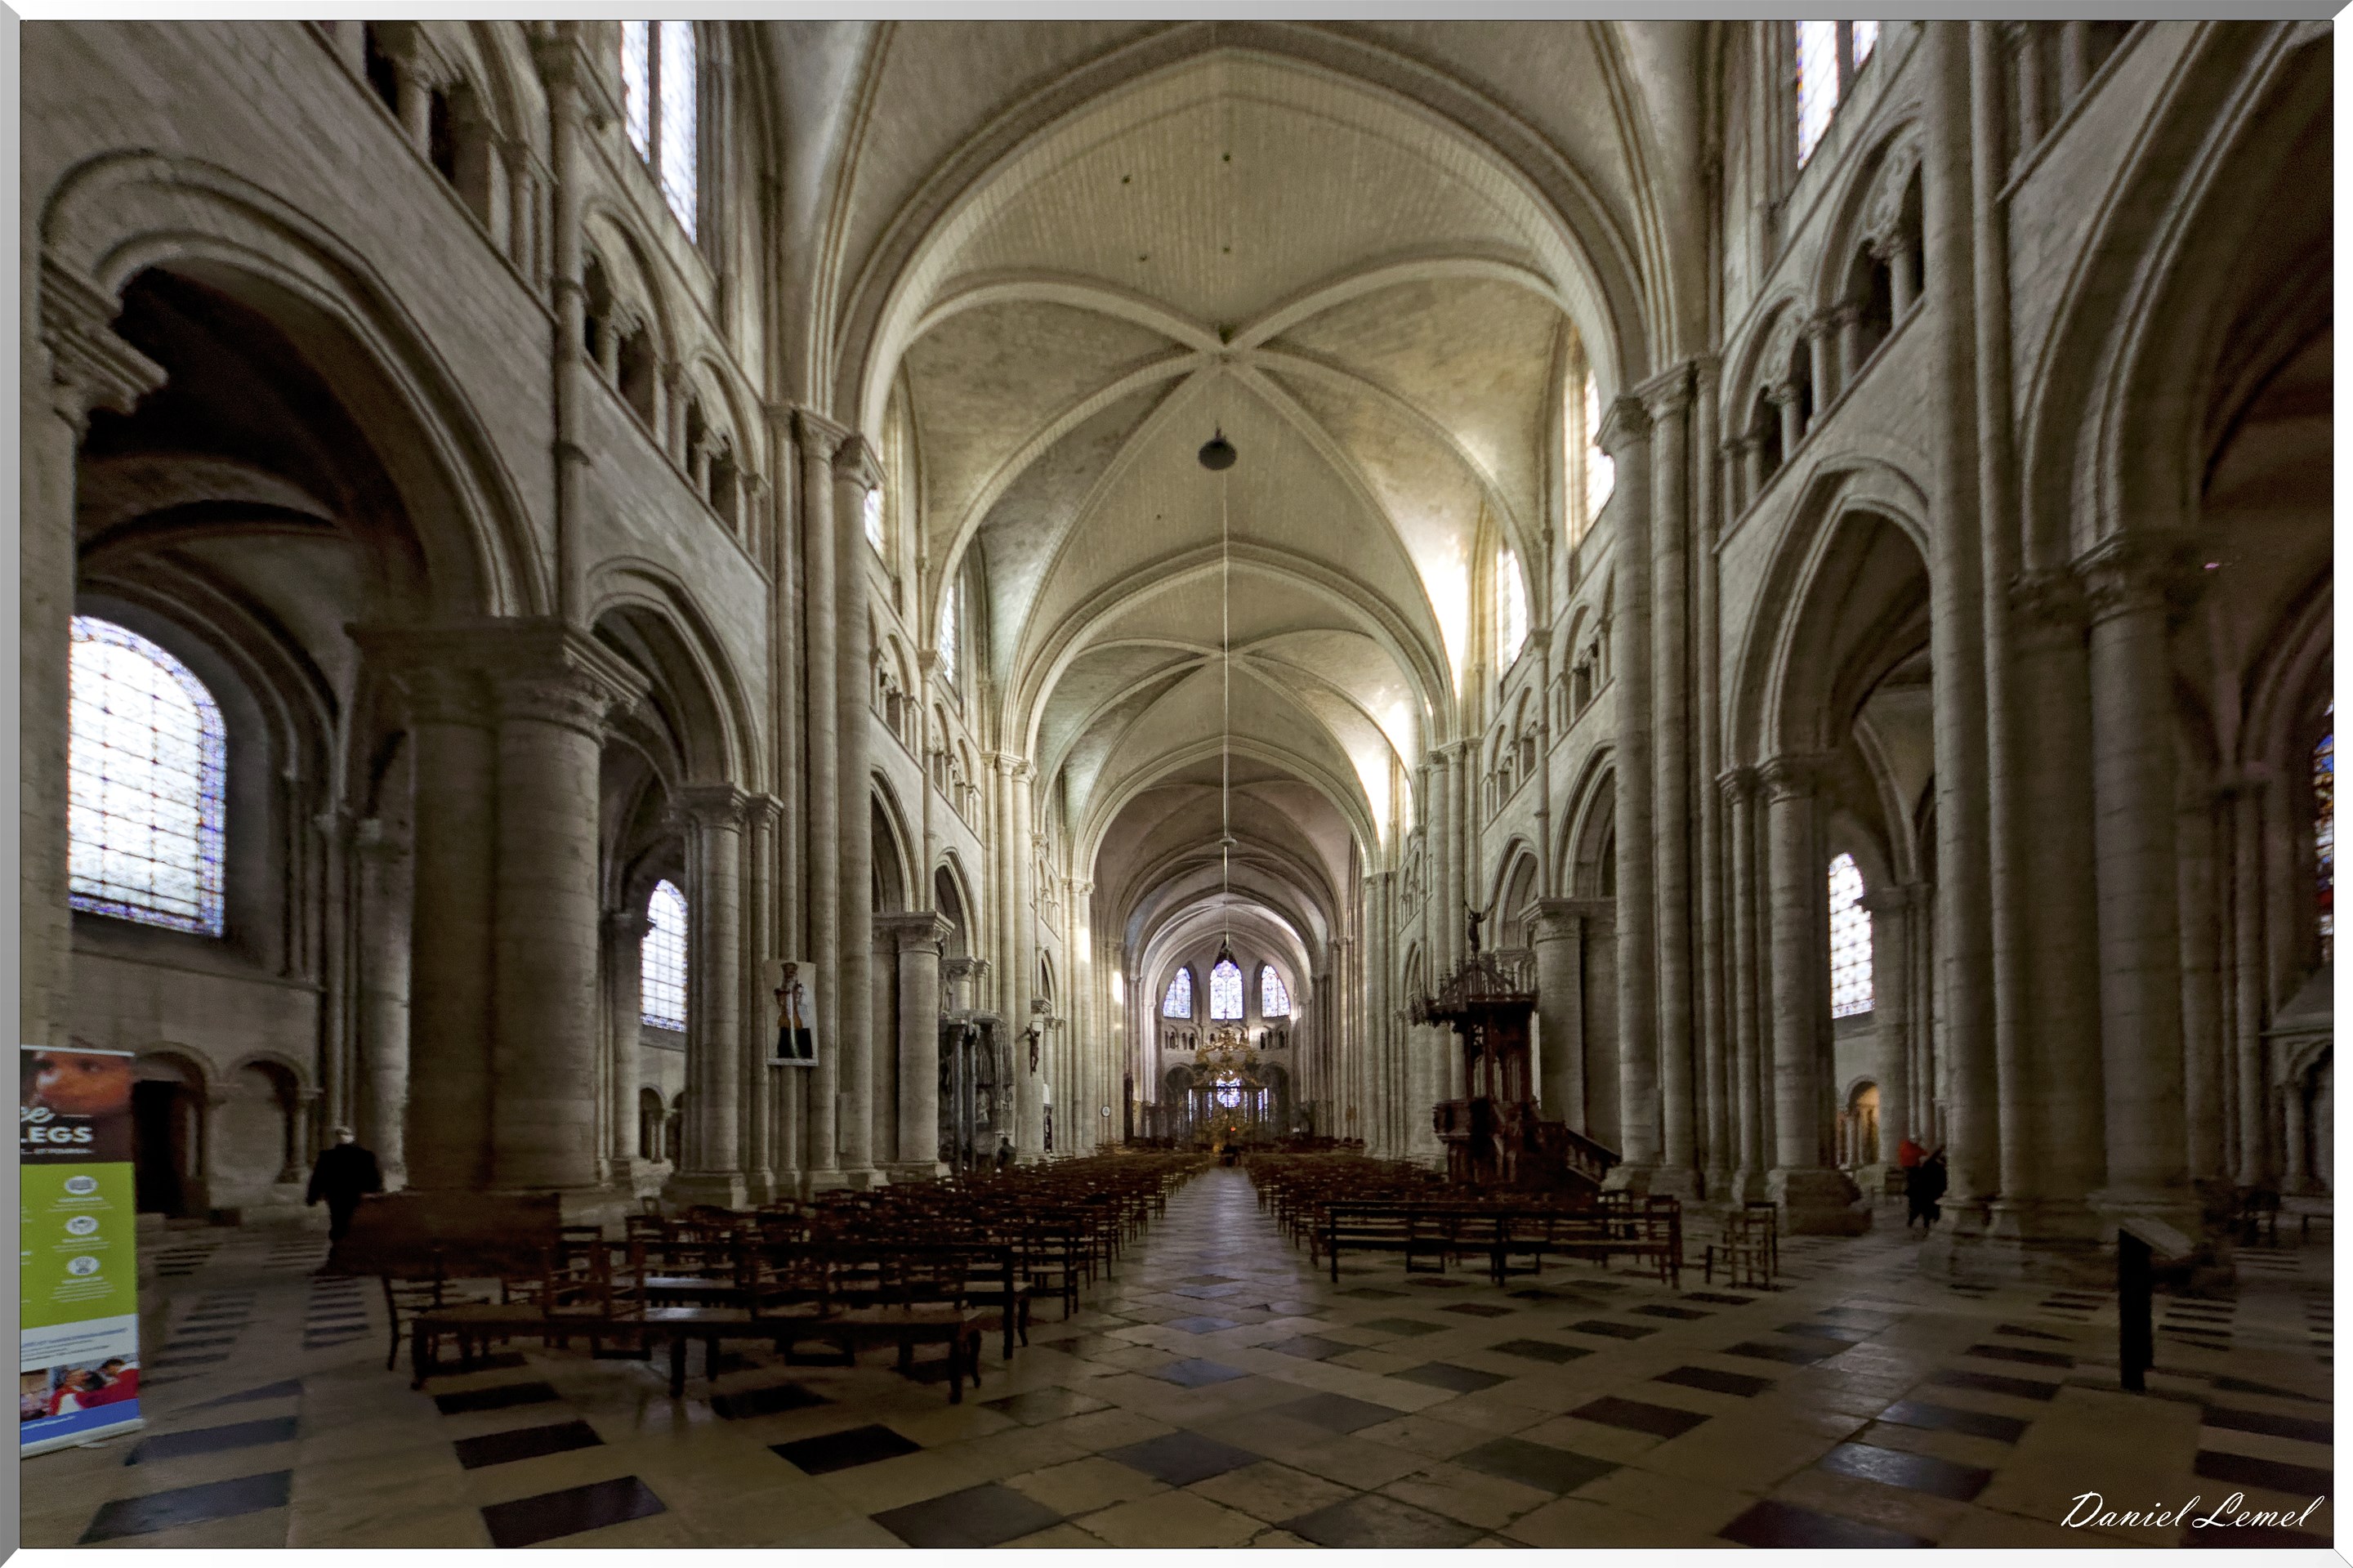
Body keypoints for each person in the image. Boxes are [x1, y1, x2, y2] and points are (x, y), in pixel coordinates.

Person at [305, 1126, 383, 1244]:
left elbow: (318, 1178)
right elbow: (375, 1177)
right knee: (357, 1221)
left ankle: (339, 1245)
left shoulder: (327, 1157)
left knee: (338, 1221)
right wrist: (377, 1192)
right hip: (358, 1196)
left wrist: (312, 1197)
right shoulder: (366, 1155)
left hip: (336, 1196)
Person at [1906, 1148, 1949, 1232]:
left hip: (1926, 1192)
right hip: (1929, 1192)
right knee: (1926, 1209)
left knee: (1922, 1209)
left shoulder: (1930, 1164)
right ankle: (1925, 1223)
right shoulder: (1937, 1167)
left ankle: (1921, 1223)